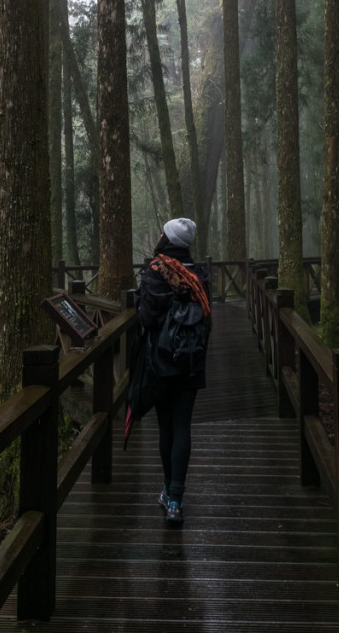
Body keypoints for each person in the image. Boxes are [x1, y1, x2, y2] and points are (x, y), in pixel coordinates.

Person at [135, 217, 210, 523]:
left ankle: (168, 490)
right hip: (192, 361)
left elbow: (148, 318)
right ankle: (176, 499)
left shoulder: (156, 272)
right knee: (183, 427)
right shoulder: (198, 274)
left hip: (163, 361)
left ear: (166, 240)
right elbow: (205, 318)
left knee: (166, 427)